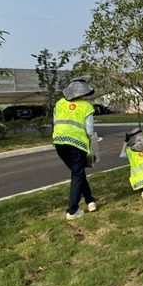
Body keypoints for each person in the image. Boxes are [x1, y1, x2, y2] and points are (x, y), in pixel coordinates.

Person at [53, 78, 99, 220]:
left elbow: (55, 121)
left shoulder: (59, 103)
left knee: (78, 172)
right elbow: (89, 130)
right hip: (77, 144)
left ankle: (90, 200)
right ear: (83, 93)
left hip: (59, 143)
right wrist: (91, 142)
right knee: (77, 174)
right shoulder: (87, 106)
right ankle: (72, 210)